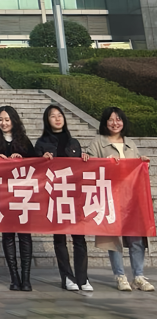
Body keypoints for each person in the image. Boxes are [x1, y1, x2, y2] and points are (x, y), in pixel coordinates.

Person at [85, 107, 153, 292]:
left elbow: (137, 169)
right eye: (111, 119)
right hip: (110, 197)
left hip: (132, 198)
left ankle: (138, 276)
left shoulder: (130, 143)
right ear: (105, 122)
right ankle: (120, 276)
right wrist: (104, 162)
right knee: (114, 238)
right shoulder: (98, 142)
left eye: (118, 119)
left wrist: (142, 162)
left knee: (136, 238)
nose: (115, 123)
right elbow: (88, 165)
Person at [35, 104, 92, 292]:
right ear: (47, 120)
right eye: (53, 116)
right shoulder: (41, 143)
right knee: (59, 239)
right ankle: (67, 277)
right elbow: (35, 169)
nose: (57, 118)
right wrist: (41, 159)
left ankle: (83, 278)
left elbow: (80, 169)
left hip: (74, 196)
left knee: (79, 239)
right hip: (55, 197)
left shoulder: (73, 142)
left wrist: (84, 158)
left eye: (60, 115)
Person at [0, 106, 37, 291]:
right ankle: (14, 278)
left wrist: (22, 159)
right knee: (8, 235)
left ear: (14, 121)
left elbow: (36, 163)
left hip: (22, 195)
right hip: (3, 195)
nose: (3, 123)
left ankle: (26, 278)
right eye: (0, 120)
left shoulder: (23, 140)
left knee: (25, 235)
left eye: (7, 119)